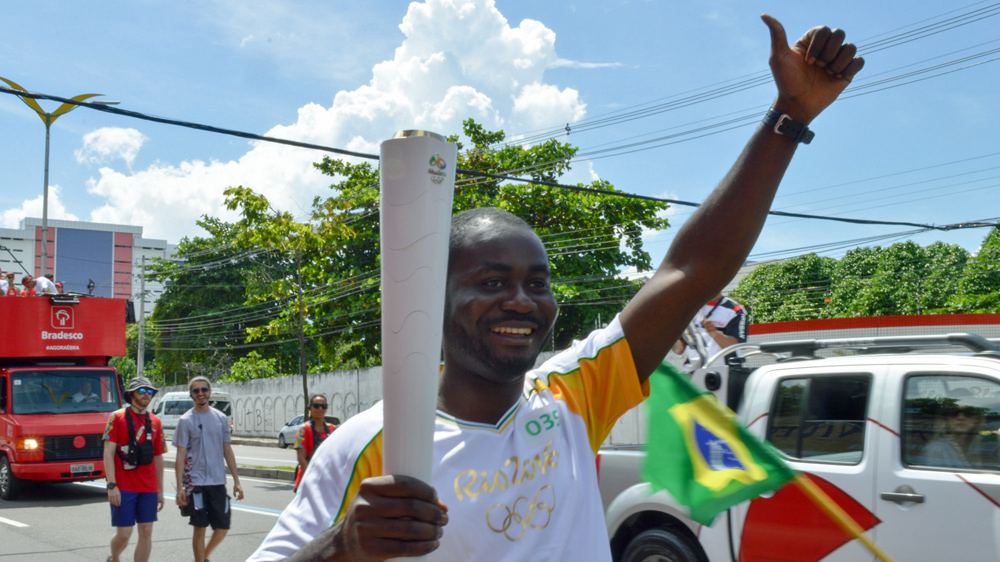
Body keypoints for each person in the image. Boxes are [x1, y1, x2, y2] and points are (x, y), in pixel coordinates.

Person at [249, 15, 865, 562]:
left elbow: (691, 270)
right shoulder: (370, 445)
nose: (522, 300)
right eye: (493, 281)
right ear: (434, 298)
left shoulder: (573, 398)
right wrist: (342, 547)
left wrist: (788, 119)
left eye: (537, 283)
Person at [173, 377, 245, 562]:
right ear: (191, 394)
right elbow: (180, 455)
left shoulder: (220, 418)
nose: (200, 394)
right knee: (200, 527)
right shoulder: (185, 420)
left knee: (222, 527)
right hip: (195, 483)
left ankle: (202, 557)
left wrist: (237, 481)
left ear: (210, 392)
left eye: (204, 389)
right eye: (196, 390)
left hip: (217, 481)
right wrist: (180, 488)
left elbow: (227, 450)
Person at [102, 376, 165, 562]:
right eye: (142, 391)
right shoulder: (116, 418)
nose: (147, 395)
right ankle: (114, 557)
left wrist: (160, 491)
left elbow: (158, 457)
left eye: (150, 391)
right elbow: (108, 453)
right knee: (124, 534)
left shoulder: (155, 422)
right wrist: (111, 485)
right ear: (131, 395)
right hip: (123, 487)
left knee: (146, 531)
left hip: (148, 487)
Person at [671, 293, 747, 374]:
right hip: (692, 373)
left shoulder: (735, 310)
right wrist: (668, 328)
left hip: (722, 373)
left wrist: (715, 334)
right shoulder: (689, 308)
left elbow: (736, 346)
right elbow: (679, 349)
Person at [293, 394, 336, 493]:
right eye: (316, 406)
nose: (320, 409)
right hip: (307, 480)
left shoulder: (332, 429)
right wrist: (313, 478)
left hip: (327, 480)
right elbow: (301, 459)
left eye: (323, 406)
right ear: (310, 408)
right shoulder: (303, 430)